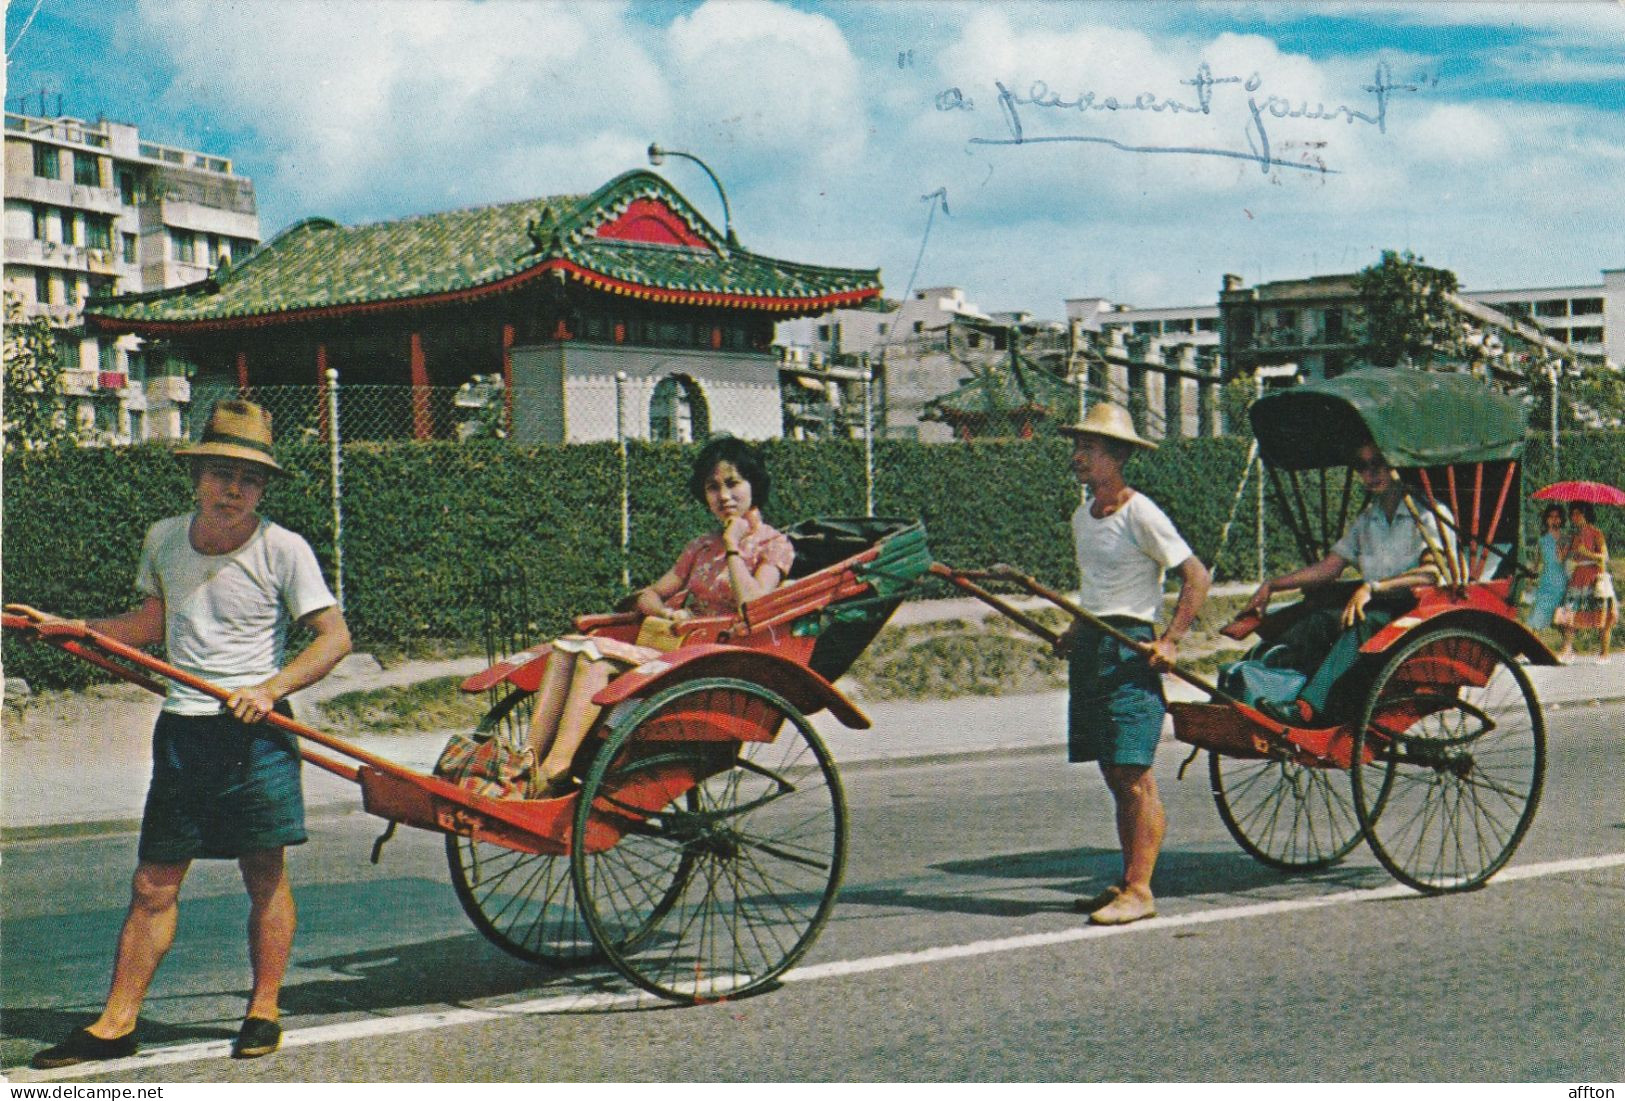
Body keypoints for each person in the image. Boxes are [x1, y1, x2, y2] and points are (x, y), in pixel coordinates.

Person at [10, 401, 351, 1069]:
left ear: (262, 489)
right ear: (195, 477)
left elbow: (335, 637)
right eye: (221, 474)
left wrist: (271, 688)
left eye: (248, 480)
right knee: (153, 884)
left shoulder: (284, 548)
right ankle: (117, 1020)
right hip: (185, 732)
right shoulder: (164, 538)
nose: (233, 490)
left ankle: (264, 1007)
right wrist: (71, 625)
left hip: (258, 732)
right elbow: (147, 625)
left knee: (264, 873)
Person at [524, 436, 794, 796]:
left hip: (717, 662)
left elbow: (753, 606)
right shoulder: (700, 546)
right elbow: (648, 595)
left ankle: (556, 768)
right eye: (713, 487)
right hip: (680, 648)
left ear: (753, 485)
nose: (723, 496)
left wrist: (733, 547)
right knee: (567, 648)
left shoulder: (773, 545)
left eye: (733, 483)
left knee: (594, 660)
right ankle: (529, 761)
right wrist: (667, 611)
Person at [1054, 403, 1210, 927]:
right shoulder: (1083, 517)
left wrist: (1172, 640)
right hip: (1095, 646)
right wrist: (1074, 631)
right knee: (1112, 771)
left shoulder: (1140, 512)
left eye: (1090, 449)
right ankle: (1128, 878)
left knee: (1134, 771)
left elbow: (1195, 574)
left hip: (1131, 646)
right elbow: (1096, 590)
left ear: (1116, 457)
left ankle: (1141, 890)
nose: (1078, 457)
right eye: (1078, 448)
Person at [1239, 436, 1453, 725]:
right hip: (1375, 604)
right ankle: (1278, 689)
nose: (1370, 474)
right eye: (1362, 467)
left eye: (1378, 464)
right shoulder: (1369, 518)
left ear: (1397, 463)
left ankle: (1308, 708)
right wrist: (1273, 585)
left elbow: (1431, 573)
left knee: (1360, 624)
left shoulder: (1428, 514)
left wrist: (1373, 587)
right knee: (1318, 622)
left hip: (1416, 610)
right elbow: (1329, 567)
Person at [1558, 502, 1616, 664]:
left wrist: (1587, 553)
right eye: (1573, 514)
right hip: (1578, 577)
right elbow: (1569, 557)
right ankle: (1567, 650)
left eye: (1578, 513)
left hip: (1594, 577)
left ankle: (1604, 654)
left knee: (1601, 616)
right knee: (1570, 614)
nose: (1575, 517)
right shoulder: (1574, 536)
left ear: (1586, 515)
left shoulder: (1596, 533)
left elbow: (1604, 557)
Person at [1526, 504, 1570, 631]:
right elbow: (1536, 563)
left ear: (1561, 519)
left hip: (1561, 580)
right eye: (1551, 516)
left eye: (1557, 517)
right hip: (1546, 580)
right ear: (1546, 519)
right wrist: (1530, 582)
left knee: (1561, 616)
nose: (1554, 519)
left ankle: (1566, 646)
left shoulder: (1566, 538)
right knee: (1539, 612)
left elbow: (1562, 560)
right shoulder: (1542, 540)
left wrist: (1560, 544)